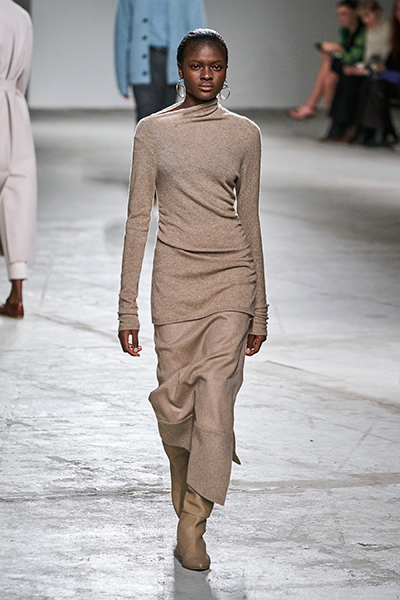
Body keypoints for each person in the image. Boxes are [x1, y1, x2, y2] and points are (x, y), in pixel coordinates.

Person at [118, 29, 268, 571]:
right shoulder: (153, 131)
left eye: (217, 66)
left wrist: (259, 307)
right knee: (177, 407)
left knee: (216, 403)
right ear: (180, 70)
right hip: (175, 283)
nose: (208, 75)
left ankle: (193, 524)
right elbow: (138, 219)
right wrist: (127, 306)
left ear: (226, 72)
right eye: (198, 66)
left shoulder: (245, 134)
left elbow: (249, 218)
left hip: (231, 280)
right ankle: (185, 497)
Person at [0, 0, 36, 320]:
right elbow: (23, 75)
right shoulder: (21, 16)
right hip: (13, 105)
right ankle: (17, 294)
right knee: (17, 199)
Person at [114, 0, 206, 121]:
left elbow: (198, 34)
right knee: (145, 117)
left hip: (173, 62)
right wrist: (122, 79)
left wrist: (197, 78)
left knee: (166, 119)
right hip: (141, 61)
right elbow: (122, 32)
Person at [324, 0, 391, 141]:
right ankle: (339, 125)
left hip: (381, 71)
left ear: (377, 13)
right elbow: (367, 57)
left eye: (367, 15)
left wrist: (341, 51)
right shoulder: (365, 31)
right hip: (368, 68)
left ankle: (347, 127)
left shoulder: (386, 30)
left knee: (348, 83)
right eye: (363, 16)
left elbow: (383, 58)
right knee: (336, 76)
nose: (365, 20)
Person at [289, 0, 365, 121]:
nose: (342, 18)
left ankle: (312, 105)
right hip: (346, 67)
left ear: (355, 13)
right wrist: (333, 50)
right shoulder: (344, 31)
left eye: (345, 14)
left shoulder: (362, 32)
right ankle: (334, 119)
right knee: (329, 78)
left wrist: (338, 49)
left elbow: (356, 57)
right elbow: (345, 54)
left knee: (328, 64)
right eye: (339, 14)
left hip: (359, 69)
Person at [355, 0, 400, 145]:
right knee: (370, 84)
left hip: (394, 76)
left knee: (375, 85)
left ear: (377, 12)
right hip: (389, 73)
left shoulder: (389, 29)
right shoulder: (394, 31)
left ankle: (376, 130)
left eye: (367, 15)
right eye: (398, 9)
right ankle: (374, 130)